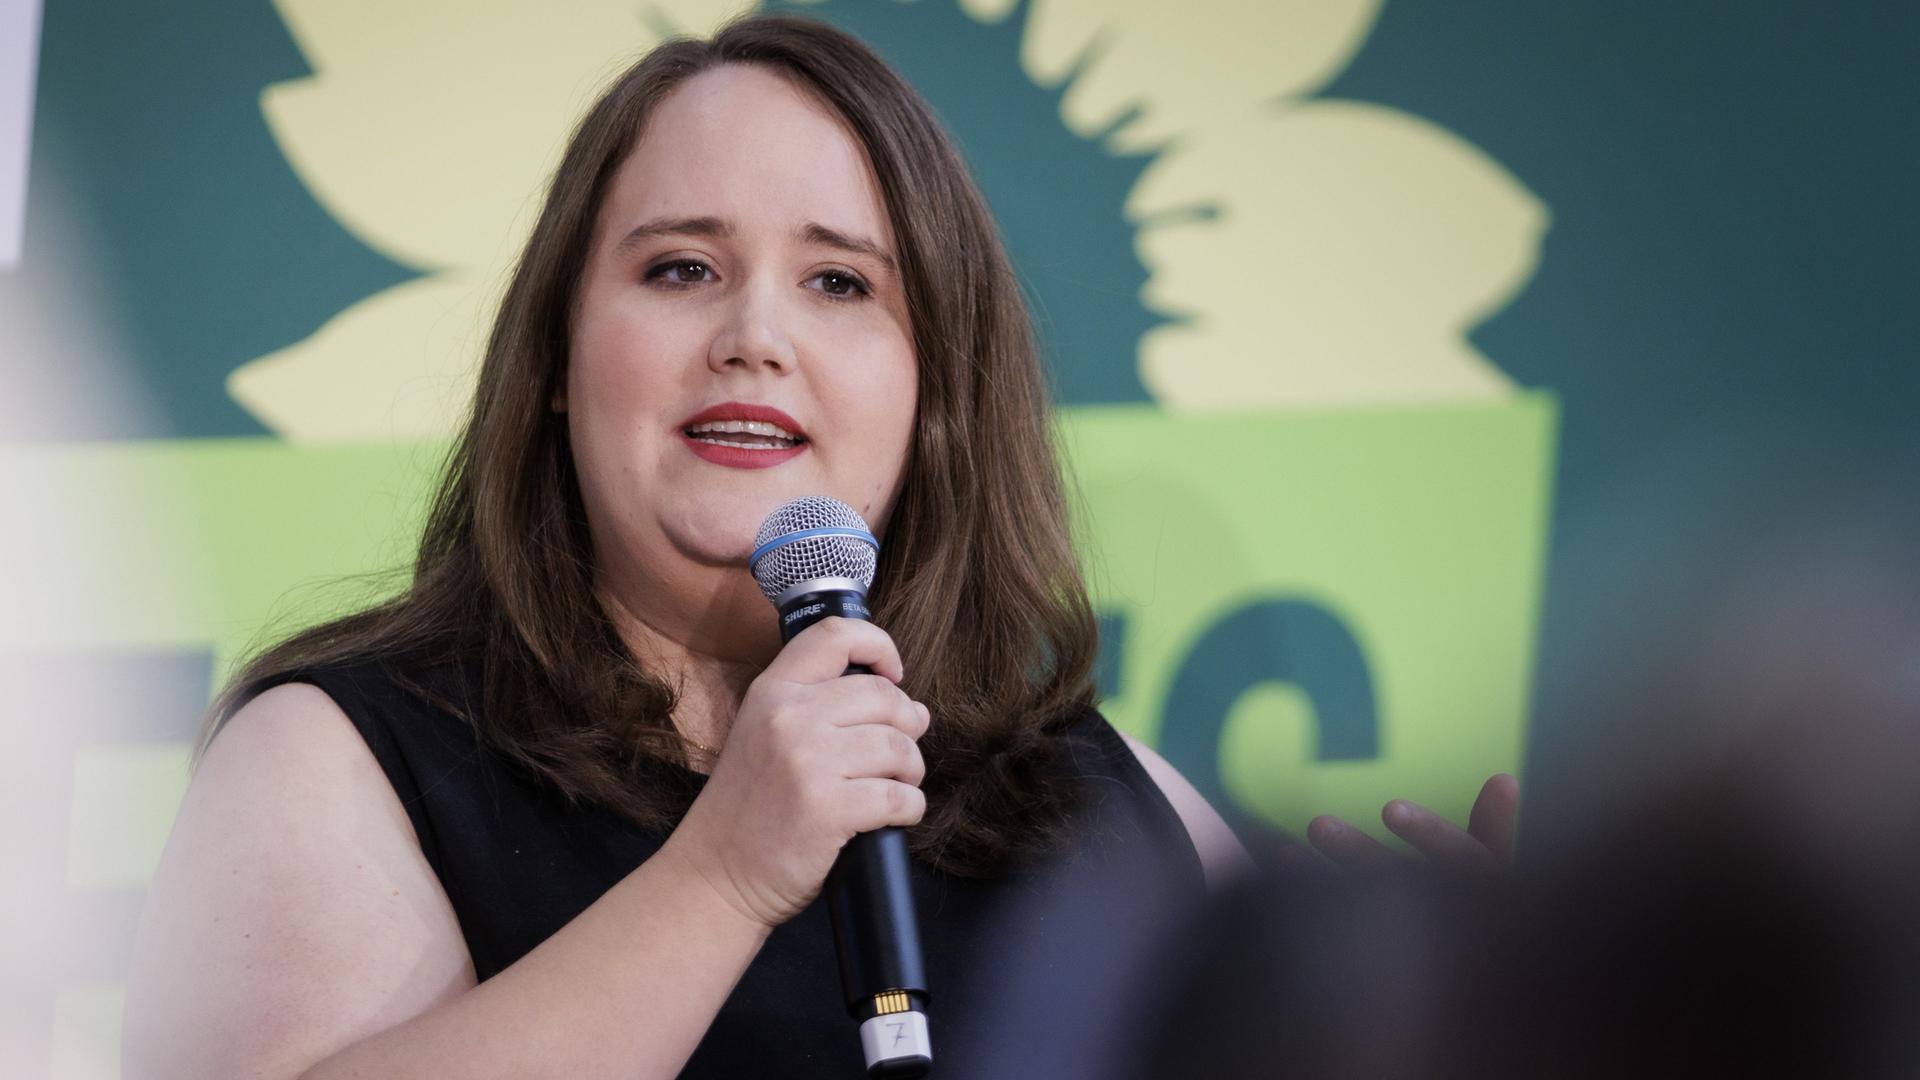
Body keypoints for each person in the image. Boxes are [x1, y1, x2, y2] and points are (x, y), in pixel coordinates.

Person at [122, 15, 1510, 1079]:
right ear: (552, 355)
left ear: (933, 394)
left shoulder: (1087, 798)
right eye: (681, 269)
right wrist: (725, 875)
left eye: (841, 282)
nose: (755, 336)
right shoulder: (350, 752)